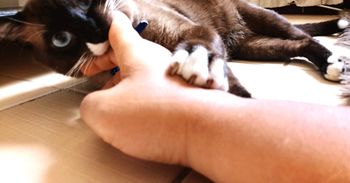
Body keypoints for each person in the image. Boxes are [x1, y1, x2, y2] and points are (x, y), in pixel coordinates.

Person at [80, 11, 350, 183]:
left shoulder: (147, 11)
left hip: (216, 9)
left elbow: (202, 34)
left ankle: (315, 47)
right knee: (253, 46)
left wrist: (201, 118)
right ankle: (307, 47)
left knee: (277, 26)